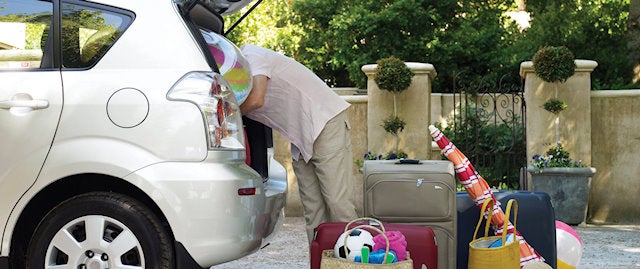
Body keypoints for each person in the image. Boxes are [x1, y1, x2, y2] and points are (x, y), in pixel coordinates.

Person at [239, 44, 358, 243]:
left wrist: (224, 114)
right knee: (313, 214)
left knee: (339, 206)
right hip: (299, 138)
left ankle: (355, 262)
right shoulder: (239, 82)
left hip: (324, 122)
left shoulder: (252, 55)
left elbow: (257, 100)